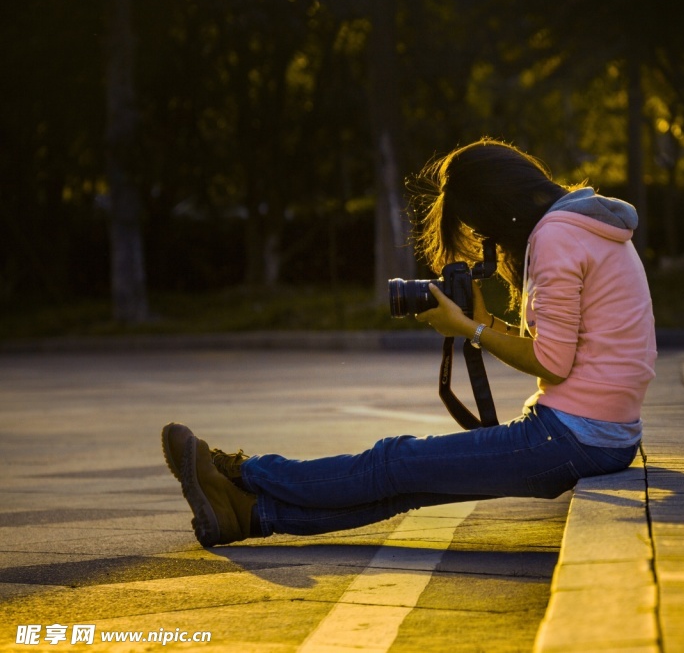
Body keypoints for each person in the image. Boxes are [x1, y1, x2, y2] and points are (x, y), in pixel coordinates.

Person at [162, 138, 657, 546]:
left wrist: (468, 330)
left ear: (495, 207)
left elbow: (554, 362)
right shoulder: (586, 225)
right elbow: (570, 352)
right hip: (597, 433)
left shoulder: (557, 237)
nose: (486, 239)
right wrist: (488, 325)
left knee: (394, 459)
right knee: (408, 482)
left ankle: (242, 473)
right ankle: (249, 516)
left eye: (479, 227)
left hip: (575, 436)